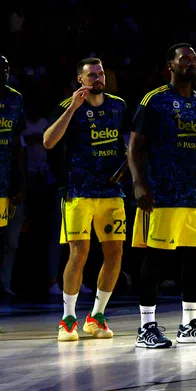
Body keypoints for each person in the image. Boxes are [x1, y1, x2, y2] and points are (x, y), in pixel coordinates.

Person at [128, 44, 196, 349]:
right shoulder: (155, 100)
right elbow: (134, 148)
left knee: (195, 259)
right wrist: (139, 183)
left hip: (195, 195)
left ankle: (188, 324)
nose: (191, 63)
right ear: (170, 65)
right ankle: (146, 327)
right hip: (161, 194)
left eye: (194, 59)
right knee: (155, 258)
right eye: (185, 59)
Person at [43, 57, 129, 341]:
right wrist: (72, 108)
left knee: (115, 253)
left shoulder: (118, 105)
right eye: (91, 75)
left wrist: (128, 163)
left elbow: (128, 142)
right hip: (78, 191)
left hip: (111, 192)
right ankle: (68, 319)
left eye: (100, 74)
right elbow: (48, 141)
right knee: (78, 253)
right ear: (79, 80)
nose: (97, 78)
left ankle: (96, 317)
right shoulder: (68, 107)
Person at [0, 55, 25, 334]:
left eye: (7, 68)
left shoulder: (15, 99)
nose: (4, 72)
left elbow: (17, 143)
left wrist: (19, 182)